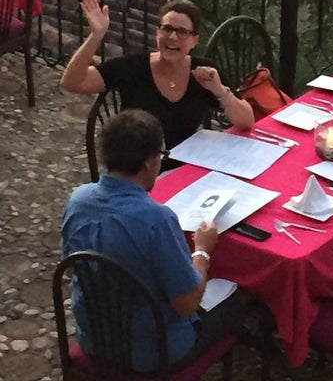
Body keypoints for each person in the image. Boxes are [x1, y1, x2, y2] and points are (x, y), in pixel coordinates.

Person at [61, 109, 243, 373]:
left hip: (94, 337)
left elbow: (70, 268)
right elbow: (187, 303)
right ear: (149, 162)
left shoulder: (78, 199)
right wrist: (202, 251)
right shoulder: (156, 220)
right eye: (161, 155)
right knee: (238, 304)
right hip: (153, 353)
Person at [60, 0, 254, 169]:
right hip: (135, 170)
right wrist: (96, 35)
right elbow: (73, 82)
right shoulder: (132, 67)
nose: (172, 37)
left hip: (185, 169)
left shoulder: (202, 72)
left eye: (182, 32)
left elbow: (246, 121)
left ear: (194, 40)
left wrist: (219, 90)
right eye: (167, 29)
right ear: (157, 32)